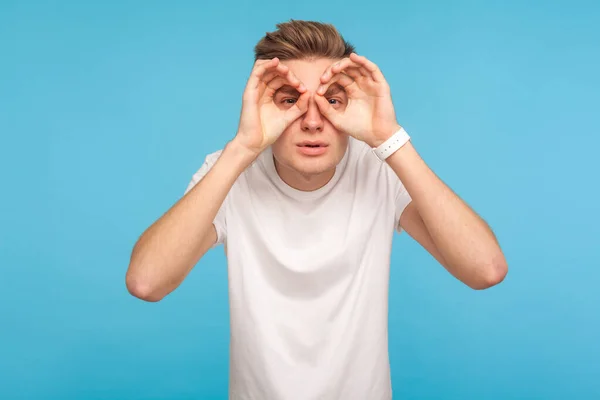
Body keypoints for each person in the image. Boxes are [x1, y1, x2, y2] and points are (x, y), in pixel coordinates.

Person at [126, 20, 508, 400]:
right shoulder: (230, 171)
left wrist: (390, 139)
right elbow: (147, 282)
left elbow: (485, 270)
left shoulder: (378, 166)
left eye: (331, 102)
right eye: (290, 101)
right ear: (262, 106)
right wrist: (242, 149)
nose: (312, 122)